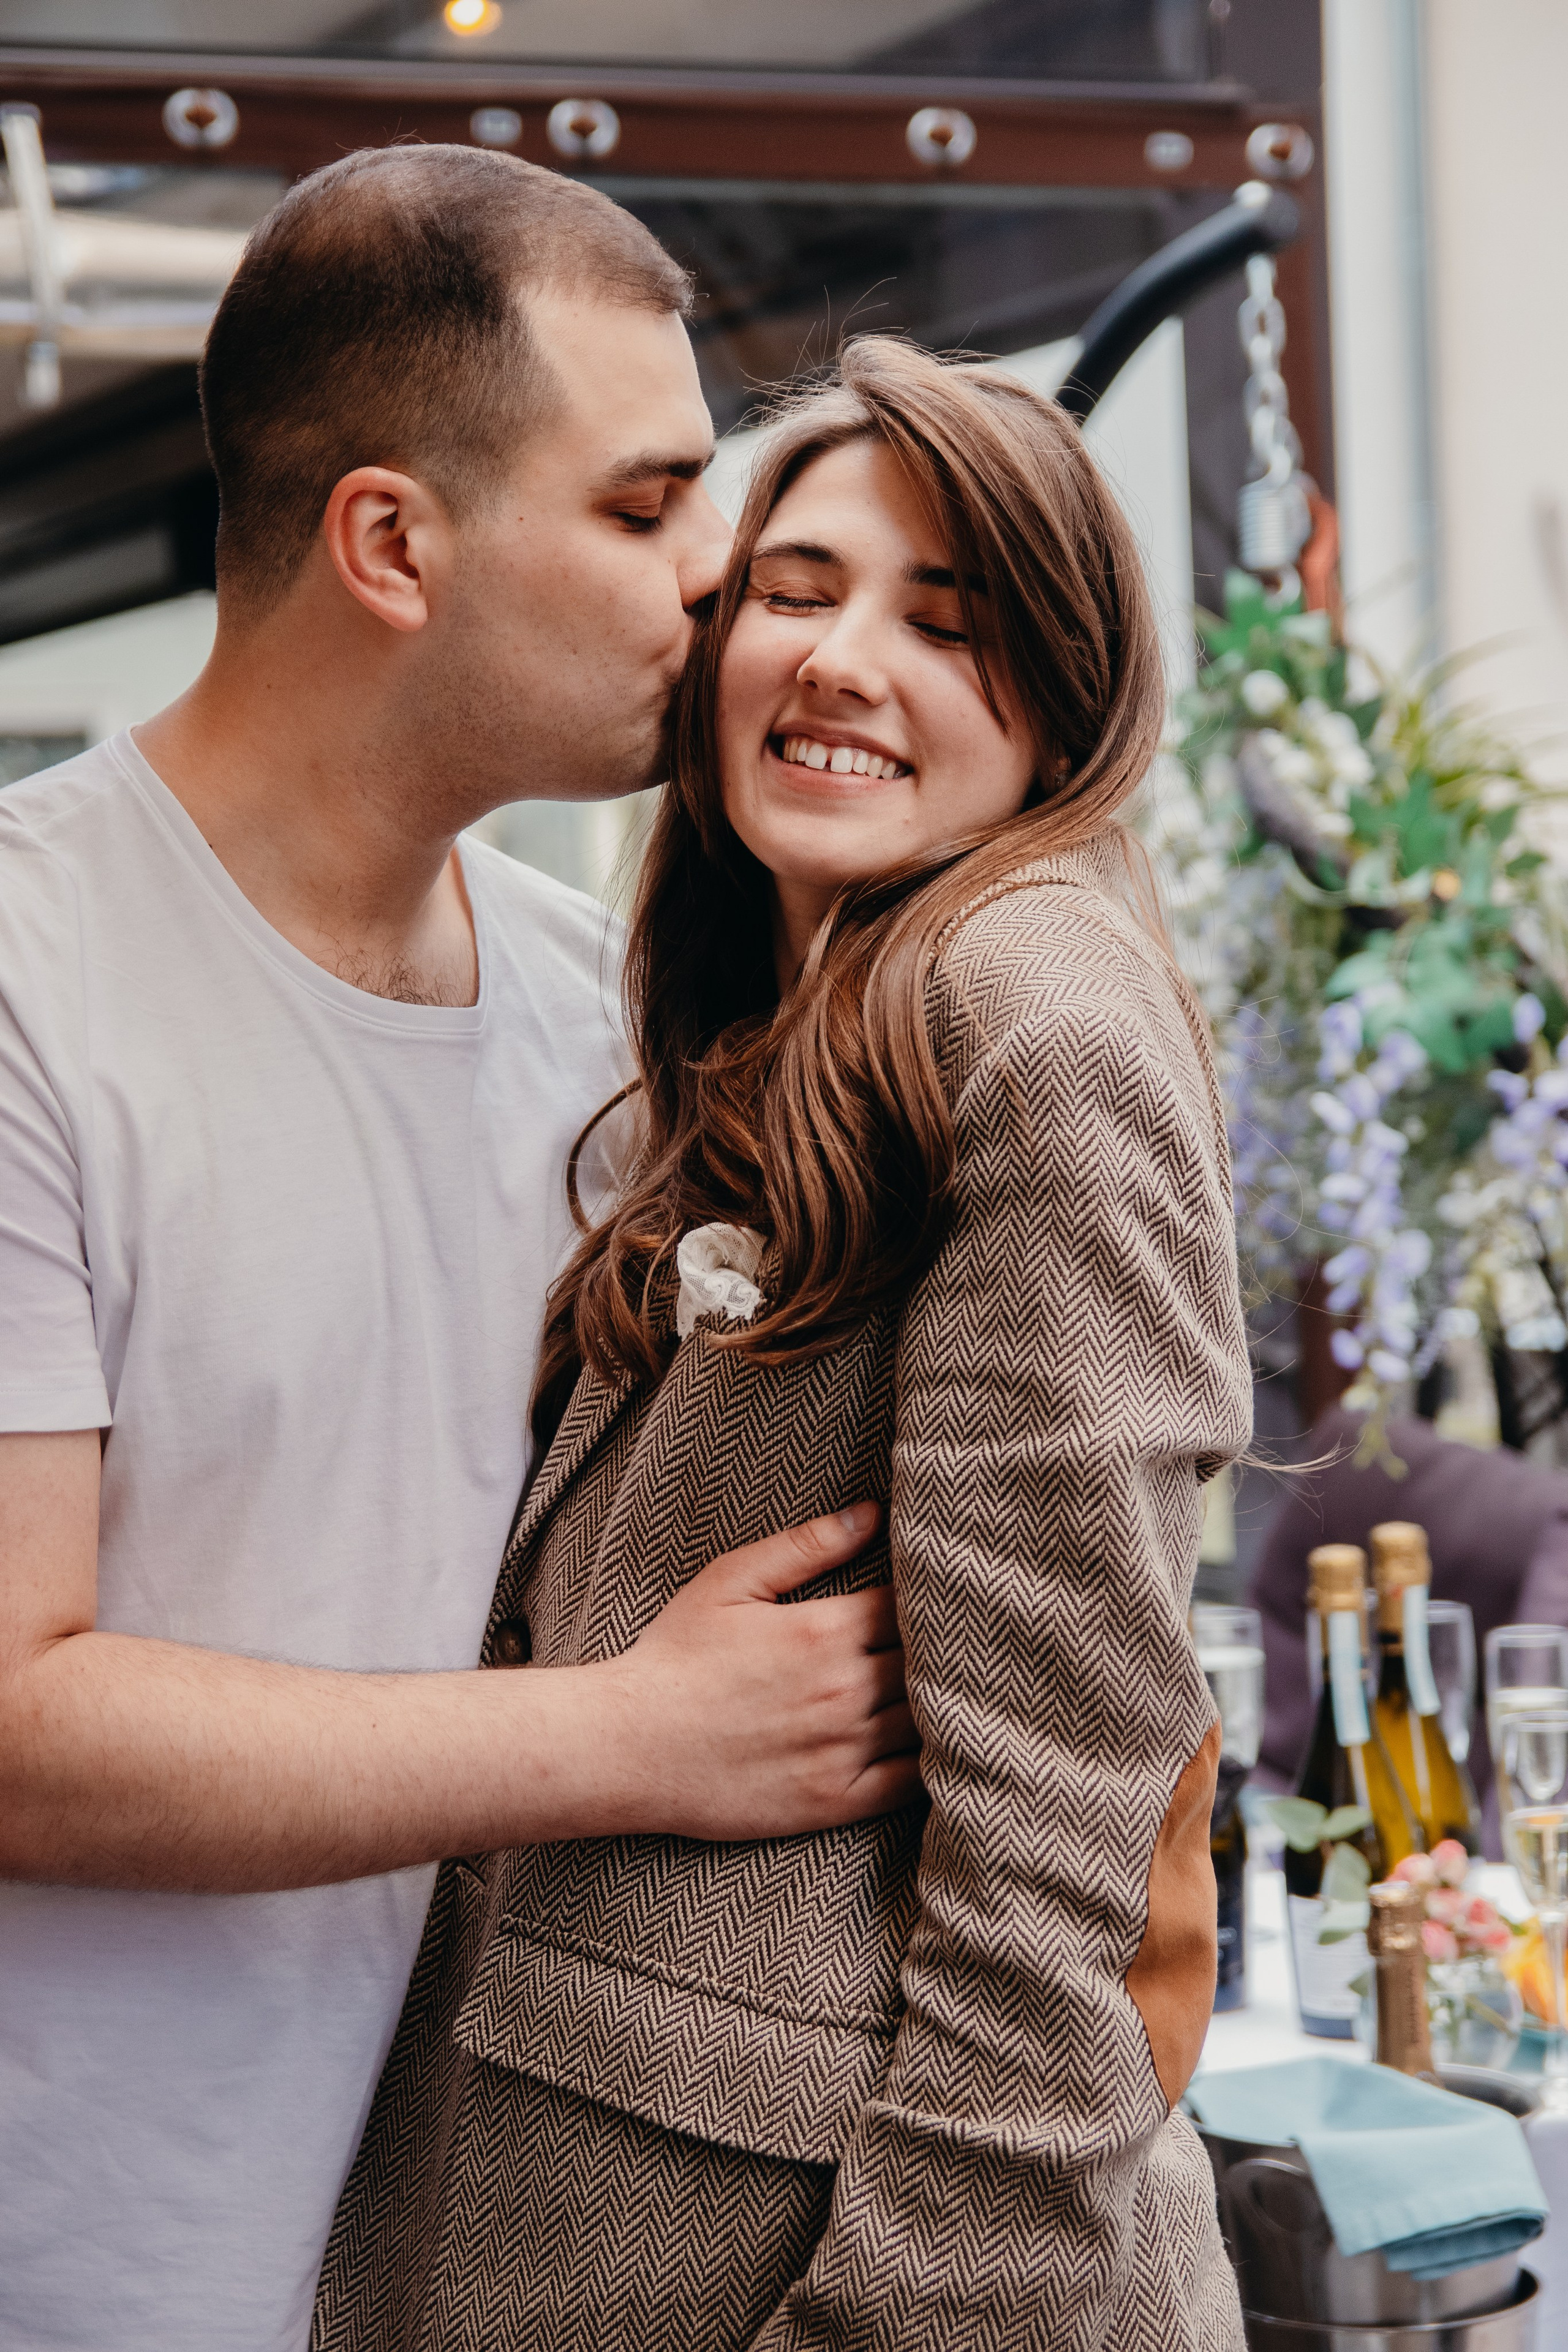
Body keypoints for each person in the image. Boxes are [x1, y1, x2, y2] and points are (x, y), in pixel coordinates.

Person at [0, 149, 920, 2352]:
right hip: (101, 2266)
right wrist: (642, 1738)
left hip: (501, 2253)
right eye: (640, 509)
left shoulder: (599, 1000)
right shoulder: (30, 973)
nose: (717, 582)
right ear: (392, 544)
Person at [318, 338, 1253, 2351]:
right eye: (800, 590)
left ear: (1067, 693)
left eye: (951, 621)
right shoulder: (792, 1010)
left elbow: (1054, 1888)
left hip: (818, 2268)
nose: (841, 663)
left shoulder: (1030, 1012)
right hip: (580, 2210)